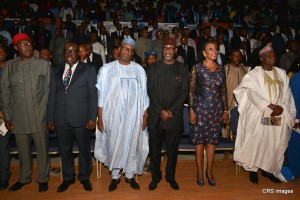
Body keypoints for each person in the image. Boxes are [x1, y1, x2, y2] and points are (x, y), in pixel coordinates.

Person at [233, 43, 296, 184]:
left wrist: (280, 109)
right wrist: (270, 107)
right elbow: (251, 93)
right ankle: (253, 170)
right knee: (258, 141)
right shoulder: (254, 74)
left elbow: (286, 94)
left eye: (274, 56)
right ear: (262, 58)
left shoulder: (281, 73)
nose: (273, 58)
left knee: (272, 142)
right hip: (260, 114)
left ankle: (268, 170)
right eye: (269, 56)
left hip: (277, 114)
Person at [95, 38, 149, 192]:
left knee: (132, 143)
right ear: (119, 50)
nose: (127, 52)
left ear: (133, 53)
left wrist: (145, 116)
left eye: (130, 50)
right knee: (114, 143)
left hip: (134, 115)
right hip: (112, 115)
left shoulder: (139, 70)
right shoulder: (107, 69)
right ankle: (115, 176)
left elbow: (144, 95)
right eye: (125, 48)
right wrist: (100, 118)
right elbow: (101, 96)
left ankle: (130, 175)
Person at [0, 33, 51, 192]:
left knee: (42, 150)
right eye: (23, 44)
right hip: (19, 116)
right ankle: (24, 178)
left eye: (29, 44)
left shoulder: (43, 64)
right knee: (23, 151)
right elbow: (5, 92)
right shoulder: (10, 66)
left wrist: (47, 115)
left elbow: (49, 91)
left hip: (39, 116)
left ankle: (43, 178)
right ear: (16, 47)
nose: (27, 47)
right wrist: (7, 116)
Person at [46, 42, 97, 192]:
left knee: (84, 149)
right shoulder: (56, 70)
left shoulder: (89, 69)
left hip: (81, 118)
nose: (68, 54)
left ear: (78, 53)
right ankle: (68, 177)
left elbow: (93, 96)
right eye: (66, 51)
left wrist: (92, 117)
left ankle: (84, 177)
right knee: (65, 150)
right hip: (61, 118)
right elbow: (52, 95)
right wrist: (50, 117)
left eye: (72, 51)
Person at [147, 38, 189, 191]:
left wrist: (170, 111)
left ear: (176, 50)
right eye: (165, 48)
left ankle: (170, 177)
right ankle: (155, 177)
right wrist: (161, 110)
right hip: (155, 116)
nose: (168, 51)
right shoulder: (152, 67)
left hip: (174, 116)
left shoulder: (182, 69)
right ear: (162, 49)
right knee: (154, 151)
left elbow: (184, 92)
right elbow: (150, 90)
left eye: (171, 48)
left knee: (172, 151)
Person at [189, 41, 228, 187]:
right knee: (199, 142)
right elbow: (191, 91)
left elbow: (223, 91)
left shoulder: (220, 69)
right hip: (200, 110)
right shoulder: (197, 68)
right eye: (210, 49)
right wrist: (191, 111)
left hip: (216, 110)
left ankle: (209, 171)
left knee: (212, 142)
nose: (214, 51)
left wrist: (225, 110)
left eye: (216, 49)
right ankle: (199, 171)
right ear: (204, 53)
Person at [223, 50, 250, 138]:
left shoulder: (245, 69)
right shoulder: (225, 69)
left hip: (242, 101)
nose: (237, 58)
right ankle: (226, 144)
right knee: (227, 123)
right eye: (235, 56)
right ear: (230, 57)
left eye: (239, 56)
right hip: (229, 99)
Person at [0, 46, 10, 190]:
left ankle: (4, 177)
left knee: (2, 148)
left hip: (5, 115)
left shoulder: (12, 67)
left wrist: (3, 112)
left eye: (2, 51)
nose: (0, 54)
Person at [287, 72, 300, 177]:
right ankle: (294, 170)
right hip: (298, 119)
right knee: (296, 145)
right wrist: (295, 119)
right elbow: (293, 100)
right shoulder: (297, 77)